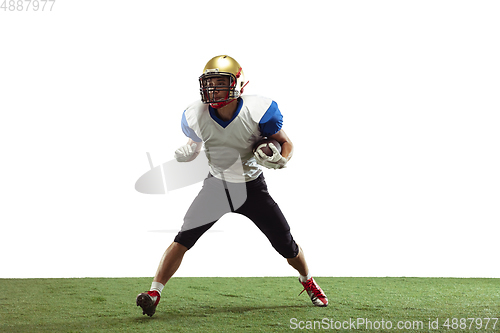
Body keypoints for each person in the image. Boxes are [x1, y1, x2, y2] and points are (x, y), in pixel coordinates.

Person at [136, 55, 328, 317]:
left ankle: (307, 280)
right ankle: (154, 292)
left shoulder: (259, 110)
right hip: (217, 187)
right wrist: (188, 152)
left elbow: (286, 142)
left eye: (220, 82)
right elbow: (197, 144)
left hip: (252, 188)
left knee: (286, 244)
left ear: (238, 84)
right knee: (183, 238)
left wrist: (282, 158)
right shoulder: (194, 114)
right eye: (210, 82)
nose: (214, 88)